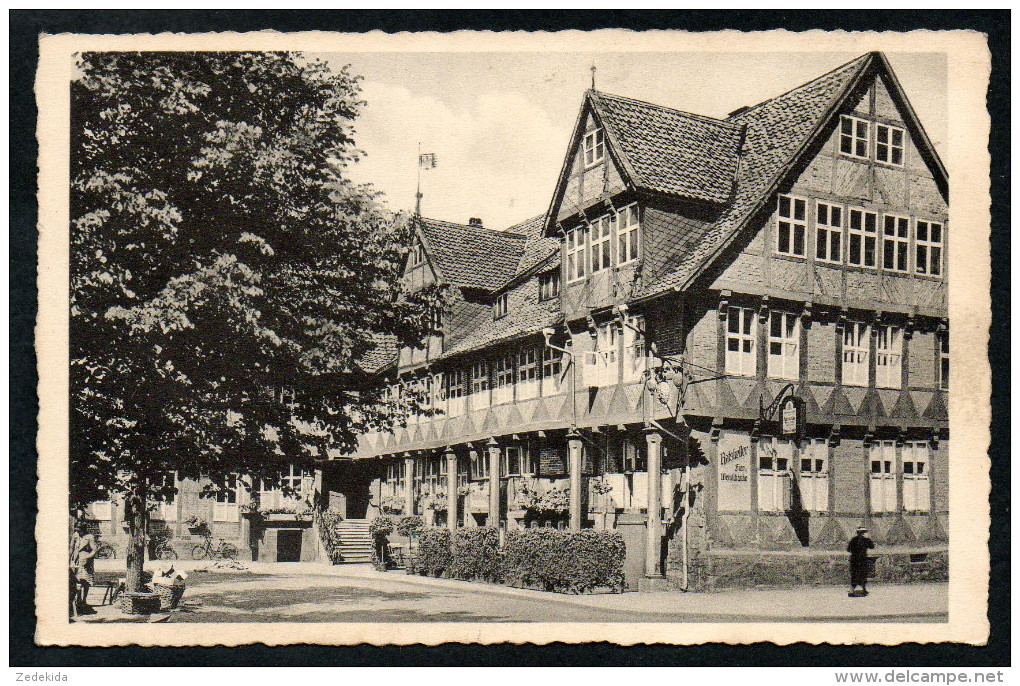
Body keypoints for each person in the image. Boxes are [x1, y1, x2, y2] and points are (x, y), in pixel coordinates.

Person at [70, 520, 98, 612]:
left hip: (86, 561)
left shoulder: (90, 537)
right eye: (77, 530)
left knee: (85, 581)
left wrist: (88, 557)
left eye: (80, 530)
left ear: (84, 529)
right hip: (76, 559)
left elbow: (94, 550)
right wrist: (69, 558)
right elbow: (71, 548)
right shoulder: (75, 535)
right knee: (76, 580)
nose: (78, 532)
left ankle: (84, 601)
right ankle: (77, 601)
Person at [847, 526, 875, 596]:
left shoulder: (853, 540)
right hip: (862, 560)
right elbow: (872, 546)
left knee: (854, 575)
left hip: (854, 560)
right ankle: (863, 590)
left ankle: (852, 591)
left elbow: (848, 549)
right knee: (863, 575)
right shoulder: (866, 540)